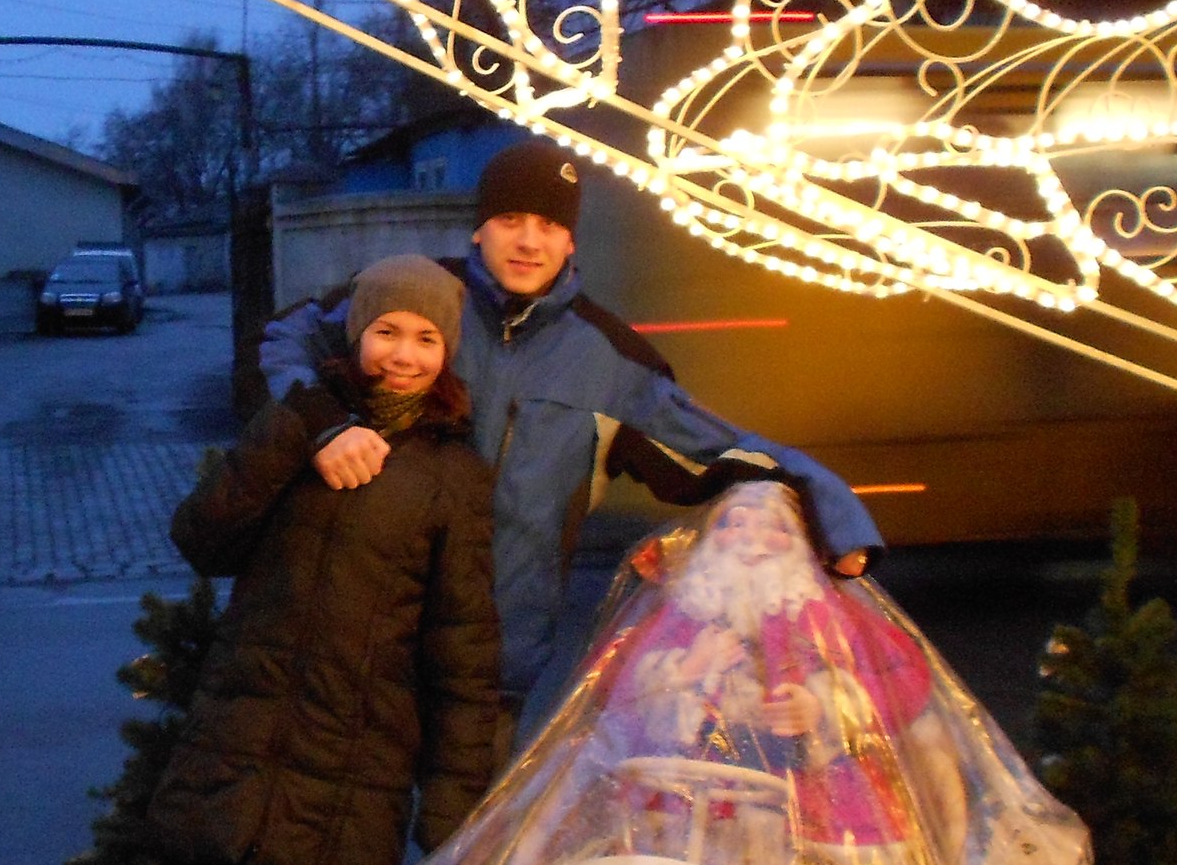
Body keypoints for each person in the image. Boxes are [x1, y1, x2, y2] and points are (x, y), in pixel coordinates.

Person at [260, 140, 884, 711]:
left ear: (570, 241)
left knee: (471, 802)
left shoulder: (613, 361)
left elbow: (720, 453)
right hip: (359, 638)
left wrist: (833, 512)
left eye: (550, 225)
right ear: (480, 227)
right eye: (510, 219)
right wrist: (325, 426)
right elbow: (286, 337)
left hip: (493, 662)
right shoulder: (417, 298)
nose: (529, 241)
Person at [150, 255, 501, 865]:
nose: (404, 355)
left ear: (447, 354)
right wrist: (302, 432)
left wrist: (450, 814)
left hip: (352, 782)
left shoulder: (454, 477)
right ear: (355, 334)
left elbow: (463, 653)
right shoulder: (299, 426)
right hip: (243, 761)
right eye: (386, 331)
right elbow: (202, 539)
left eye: (427, 339)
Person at [593, 480, 966, 865]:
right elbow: (612, 683)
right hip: (692, 810)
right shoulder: (682, 616)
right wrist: (683, 670)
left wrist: (826, 706)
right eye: (735, 523)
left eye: (774, 528)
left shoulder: (833, 618)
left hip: (814, 817)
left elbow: (902, 680)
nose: (752, 539)